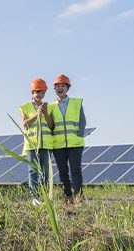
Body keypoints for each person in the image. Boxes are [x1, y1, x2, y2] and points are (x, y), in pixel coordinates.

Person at [50, 74, 86, 204]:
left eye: (63, 86)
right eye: (57, 86)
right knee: (63, 172)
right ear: (54, 89)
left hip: (75, 143)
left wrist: (79, 135)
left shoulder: (76, 103)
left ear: (67, 88)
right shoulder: (50, 106)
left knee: (76, 171)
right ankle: (68, 196)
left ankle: (78, 196)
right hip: (58, 145)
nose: (60, 88)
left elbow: (82, 121)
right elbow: (50, 124)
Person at [19, 78, 54, 206]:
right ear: (33, 92)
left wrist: (45, 114)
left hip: (45, 144)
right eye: (38, 92)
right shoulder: (24, 107)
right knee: (33, 171)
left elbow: (51, 125)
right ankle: (35, 198)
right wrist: (36, 114)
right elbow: (24, 123)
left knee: (45, 171)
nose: (40, 94)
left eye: (43, 92)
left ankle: (44, 197)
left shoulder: (48, 107)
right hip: (32, 144)